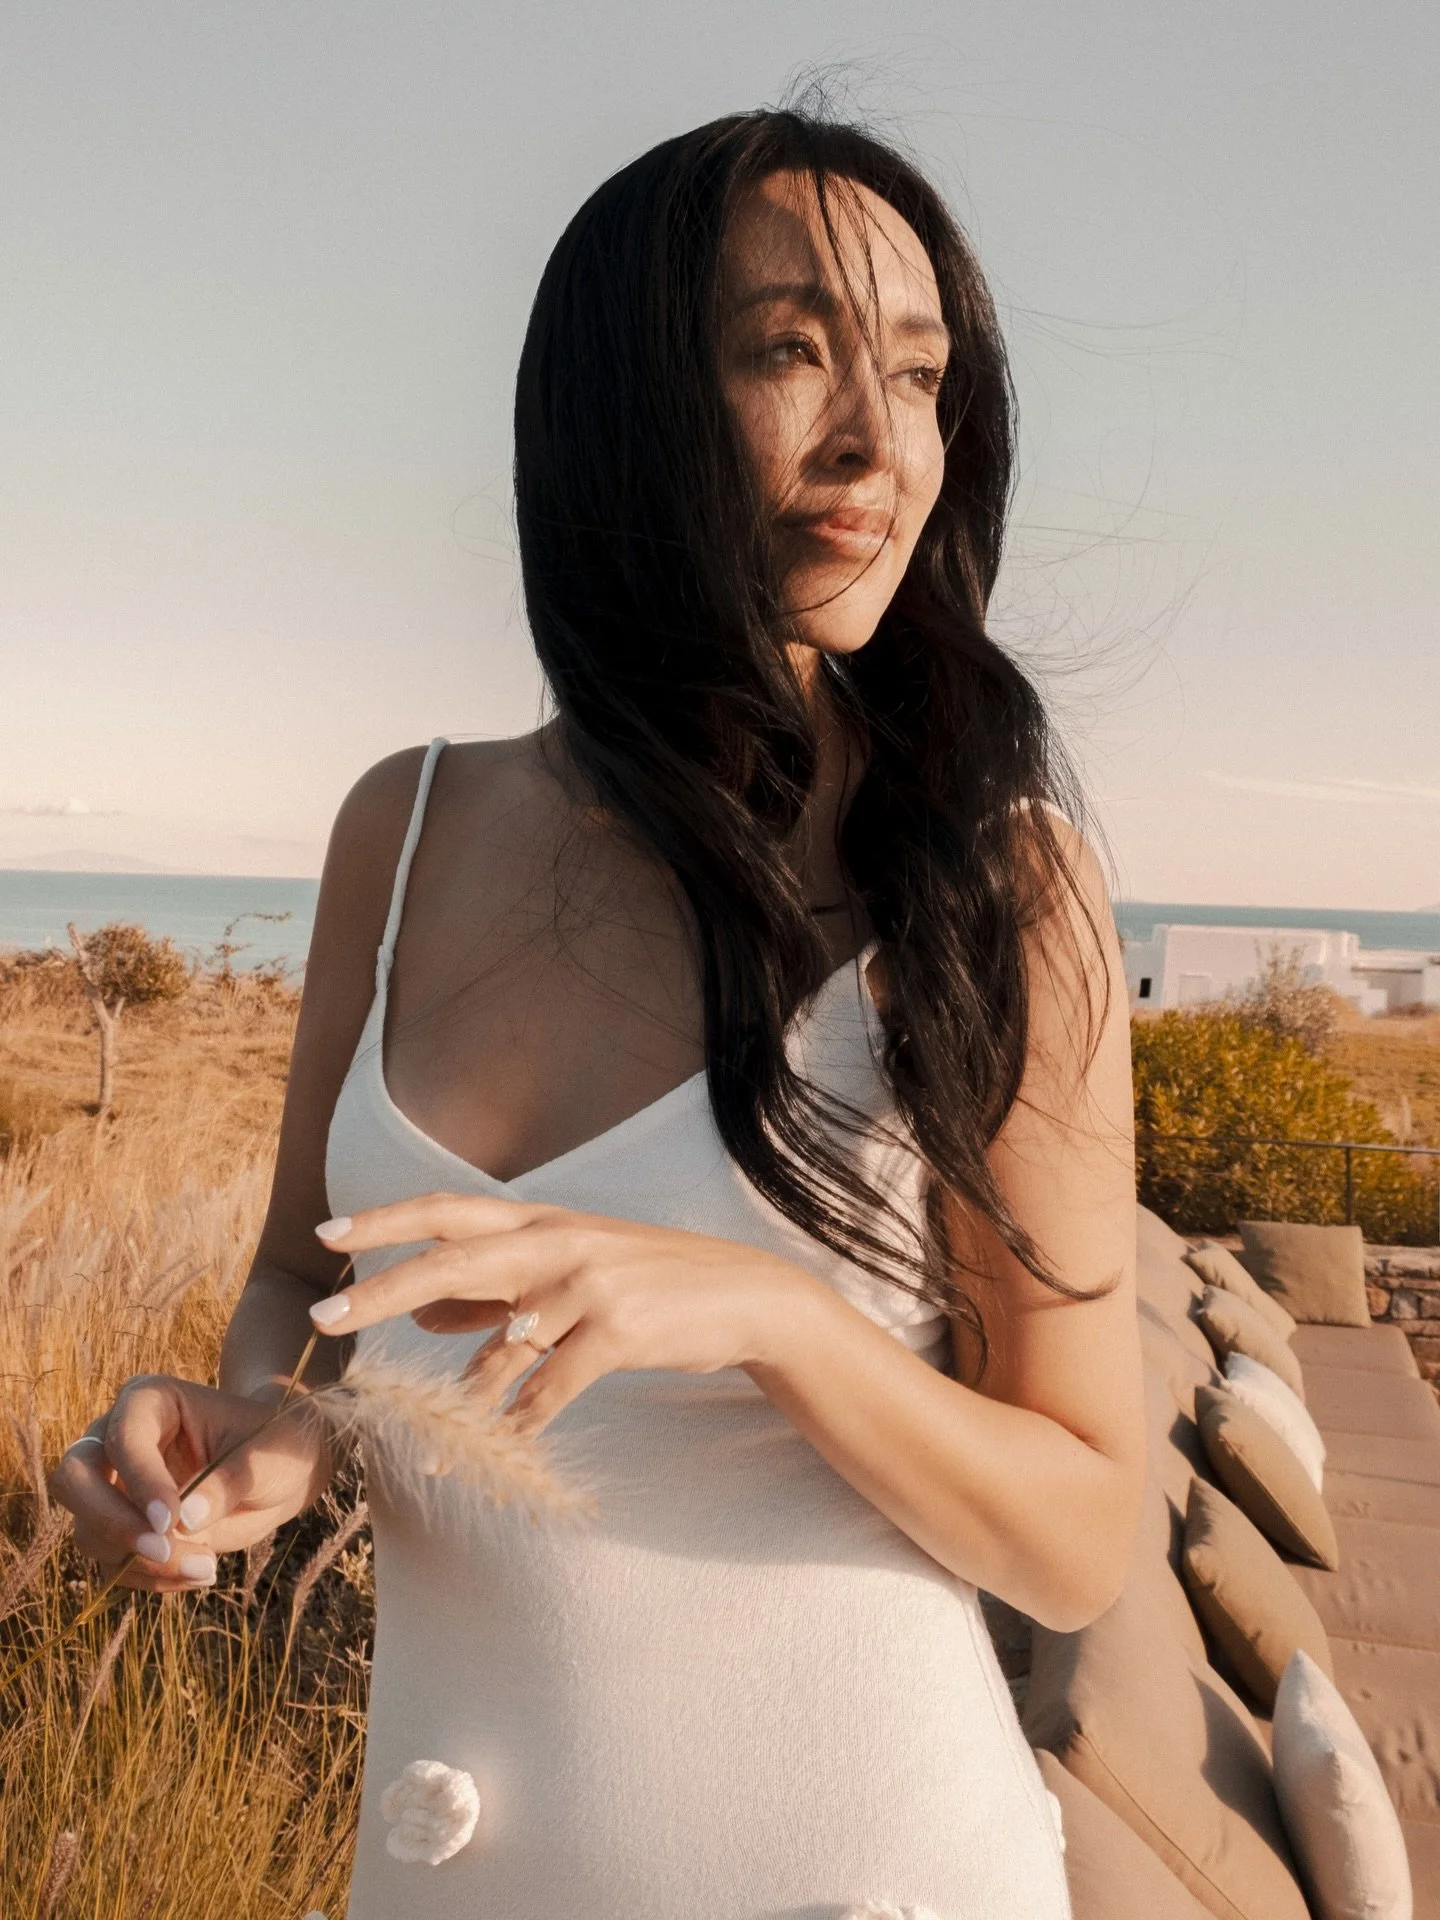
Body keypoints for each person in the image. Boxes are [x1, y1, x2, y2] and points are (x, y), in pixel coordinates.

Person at [52, 106, 1146, 1918]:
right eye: (790, 351)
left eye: (920, 373)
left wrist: (778, 1318)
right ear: (621, 406)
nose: (878, 440)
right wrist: (262, 1427)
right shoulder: (404, 827)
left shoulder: (990, 884)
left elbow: (1083, 1541)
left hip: (860, 1875)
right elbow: (301, 1281)